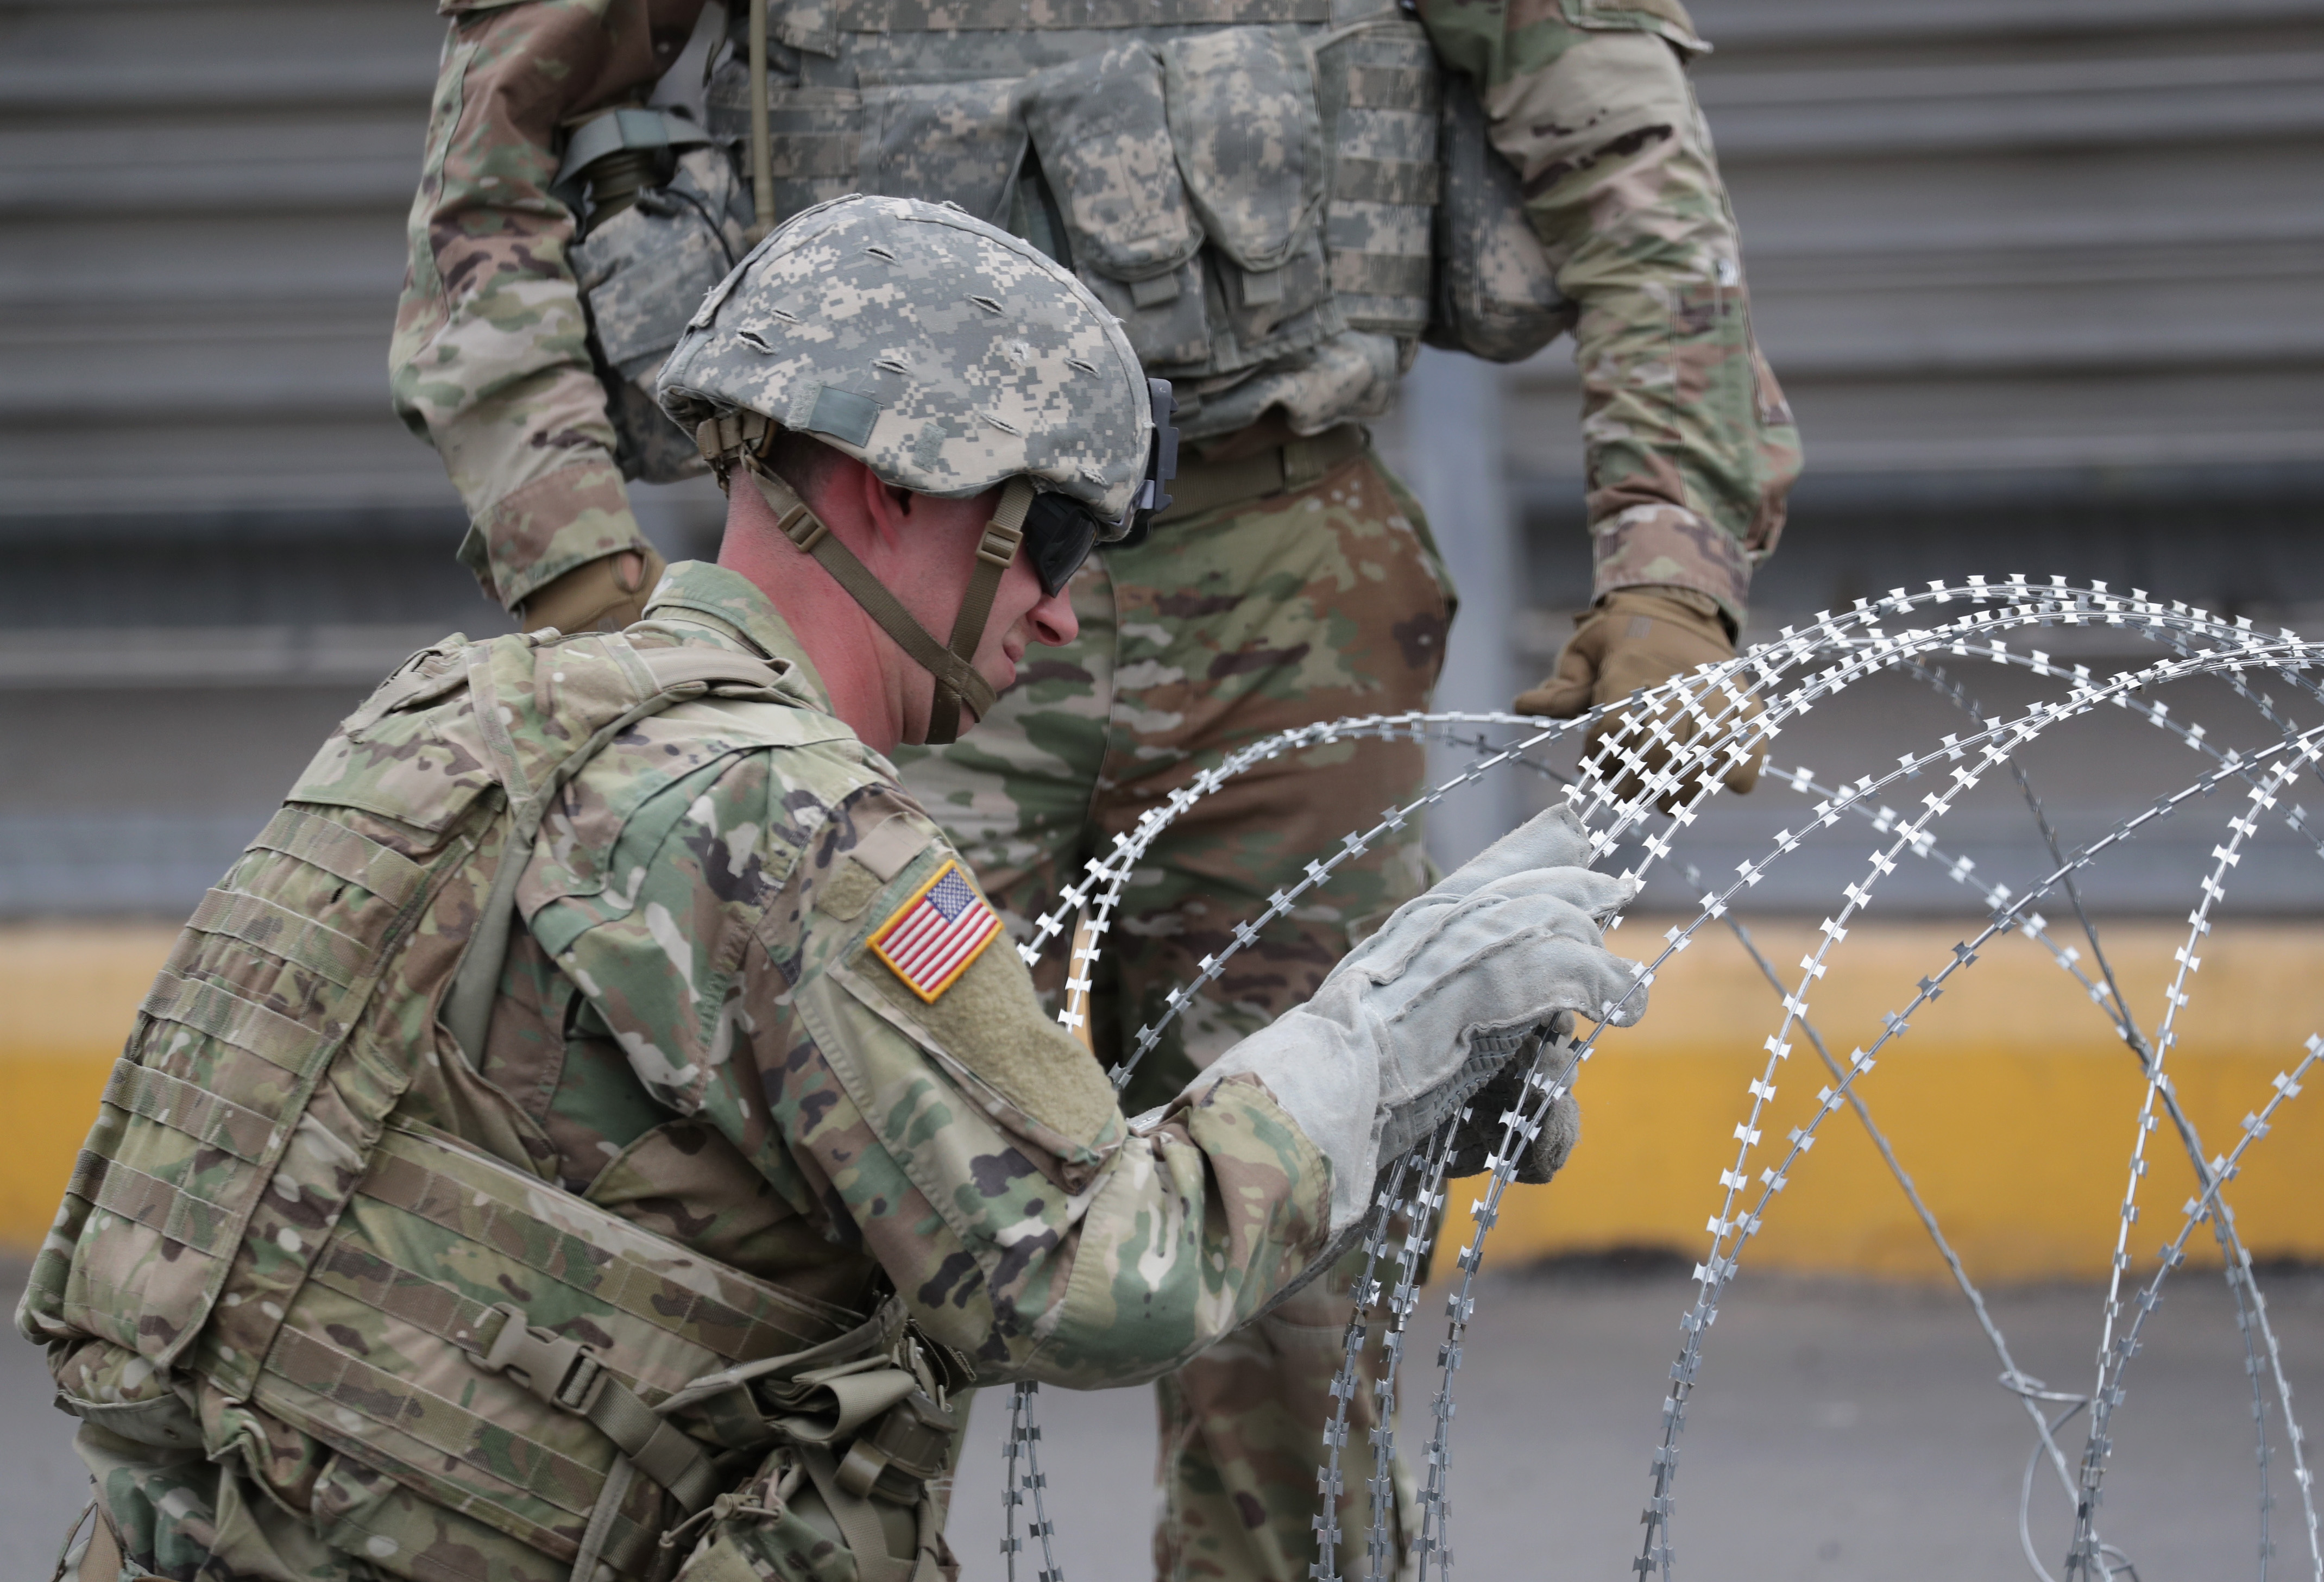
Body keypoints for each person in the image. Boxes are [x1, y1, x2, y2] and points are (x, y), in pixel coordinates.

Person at [30, 197, 1643, 1582]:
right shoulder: (800, 832)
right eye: (1059, 537)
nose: (1070, 616)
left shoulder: (460, 715)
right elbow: (1092, 1276)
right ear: (903, 494)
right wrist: (1373, 1034)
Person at [390, 3, 1789, 1572]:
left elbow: (1614, 136)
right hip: (888, 564)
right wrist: (578, 559)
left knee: (1316, 1235)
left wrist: (1672, 559)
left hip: (1287, 570)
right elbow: (495, 148)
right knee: (821, 1224)